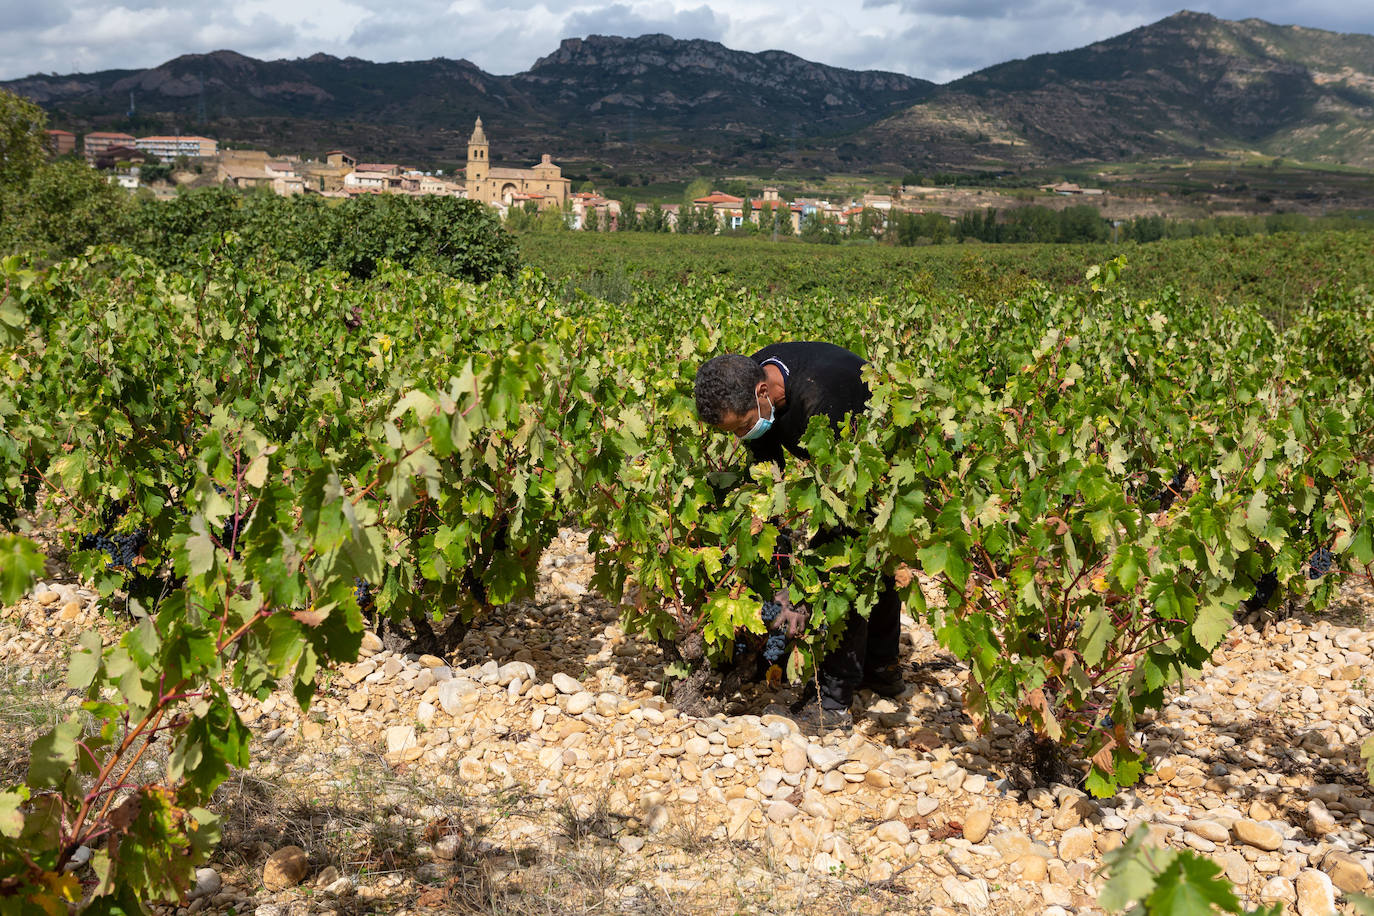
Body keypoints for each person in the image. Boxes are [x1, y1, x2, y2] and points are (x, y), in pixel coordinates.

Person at [693, 342, 905, 732]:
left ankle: (837, 700)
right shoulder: (751, 378)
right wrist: (771, 554)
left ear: (762, 393)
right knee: (820, 559)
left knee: (853, 564)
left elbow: (841, 501)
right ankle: (880, 668)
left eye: (741, 427)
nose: (742, 436)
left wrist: (801, 591)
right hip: (833, 460)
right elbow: (768, 472)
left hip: (877, 464)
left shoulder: (822, 399)